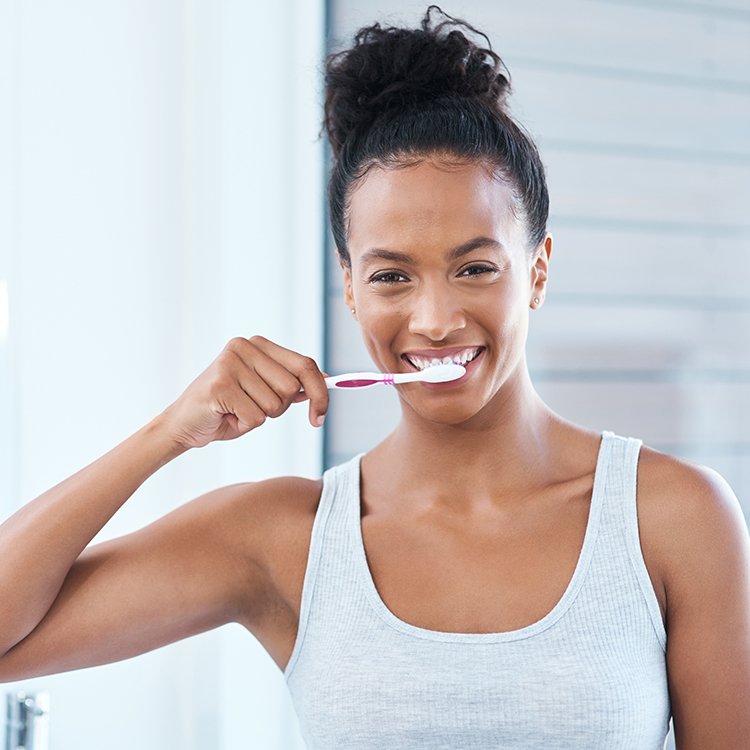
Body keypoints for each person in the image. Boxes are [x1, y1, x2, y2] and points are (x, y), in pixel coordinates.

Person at [1, 6, 748, 748]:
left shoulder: (672, 519)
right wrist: (167, 433)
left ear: (538, 271)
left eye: (476, 268)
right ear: (351, 287)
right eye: (392, 276)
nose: (434, 319)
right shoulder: (281, 539)